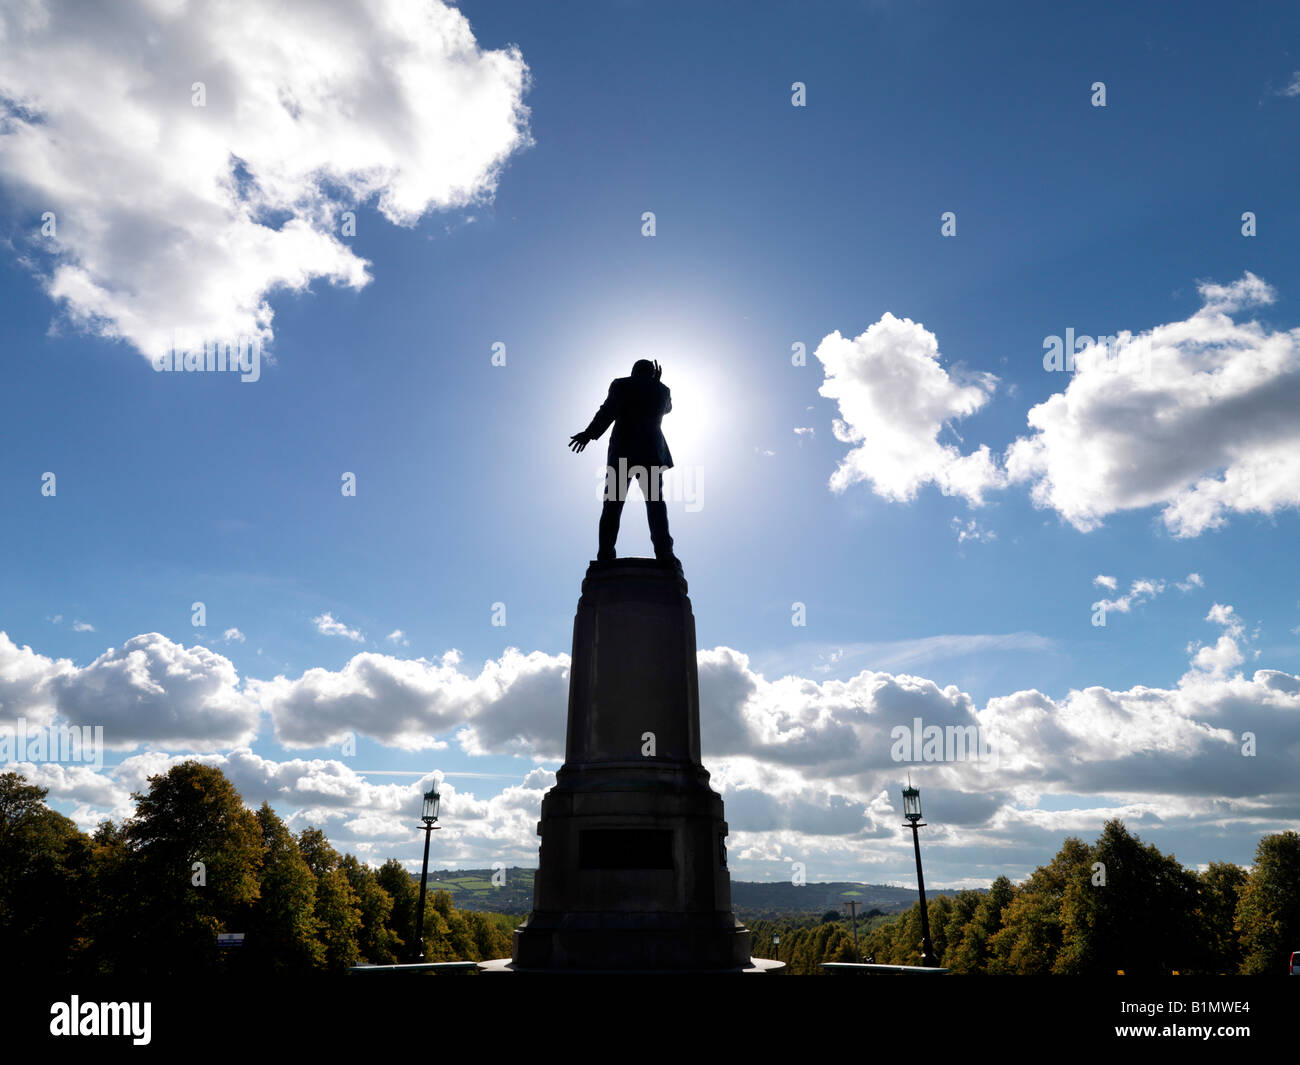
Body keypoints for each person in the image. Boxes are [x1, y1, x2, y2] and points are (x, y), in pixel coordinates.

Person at [569, 359, 680, 569]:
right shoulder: (662, 390)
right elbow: (667, 409)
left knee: (613, 504)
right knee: (655, 504)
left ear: (633, 371)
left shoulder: (622, 384)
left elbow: (608, 410)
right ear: (652, 372)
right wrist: (656, 382)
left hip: (624, 450)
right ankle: (665, 553)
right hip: (651, 451)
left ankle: (605, 553)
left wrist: (589, 434)